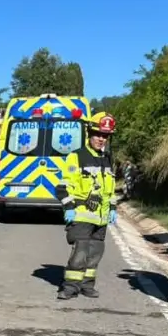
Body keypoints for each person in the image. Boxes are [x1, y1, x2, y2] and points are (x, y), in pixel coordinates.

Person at [54, 112, 118, 300]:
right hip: (81, 214)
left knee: (96, 253)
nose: (101, 139)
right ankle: (70, 287)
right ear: (89, 134)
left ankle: (87, 285)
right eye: (97, 134)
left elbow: (110, 190)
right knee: (80, 253)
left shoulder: (107, 158)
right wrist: (69, 208)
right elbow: (62, 187)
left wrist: (113, 209)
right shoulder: (77, 156)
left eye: (105, 136)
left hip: (101, 217)